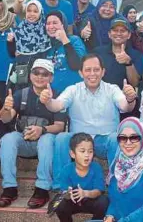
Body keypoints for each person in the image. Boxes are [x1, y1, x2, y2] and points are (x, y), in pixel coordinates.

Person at [39, 54, 137, 190]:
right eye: (88, 70)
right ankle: (60, 187)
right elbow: (57, 105)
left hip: (104, 141)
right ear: (80, 73)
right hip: (79, 141)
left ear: (103, 72)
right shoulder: (73, 90)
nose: (92, 74)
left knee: (116, 138)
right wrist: (48, 101)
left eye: (96, 70)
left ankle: (117, 184)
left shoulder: (112, 89)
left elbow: (125, 106)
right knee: (62, 138)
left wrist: (130, 98)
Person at [0, 59, 66, 209]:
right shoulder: (20, 94)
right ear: (30, 75)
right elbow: (5, 119)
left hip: (46, 144)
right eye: (36, 72)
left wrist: (42, 130)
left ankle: (42, 189)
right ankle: (9, 188)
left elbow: (60, 126)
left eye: (45, 74)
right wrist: (6, 108)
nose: (40, 76)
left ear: (51, 77)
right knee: (7, 139)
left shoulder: (59, 96)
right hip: (25, 139)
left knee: (47, 140)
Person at [54, 133, 109, 221]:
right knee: (59, 204)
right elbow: (64, 192)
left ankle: (95, 221)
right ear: (72, 154)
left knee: (104, 201)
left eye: (90, 151)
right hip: (73, 202)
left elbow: (99, 191)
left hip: (91, 200)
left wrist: (85, 193)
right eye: (82, 151)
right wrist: (69, 194)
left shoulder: (96, 167)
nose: (87, 155)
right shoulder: (66, 169)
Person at [7, 0, 51, 90]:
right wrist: (10, 42)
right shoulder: (20, 29)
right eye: (29, 10)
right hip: (22, 71)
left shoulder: (46, 29)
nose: (31, 14)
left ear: (40, 13)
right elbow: (12, 54)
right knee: (20, 96)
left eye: (35, 11)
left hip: (40, 73)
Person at [94, 18, 143, 88]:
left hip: (124, 97)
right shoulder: (98, 53)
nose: (119, 33)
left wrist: (128, 63)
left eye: (122, 31)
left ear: (129, 35)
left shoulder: (136, 55)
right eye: (115, 30)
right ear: (109, 34)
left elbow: (135, 83)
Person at [45, 10, 87, 94]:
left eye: (55, 23)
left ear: (63, 24)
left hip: (75, 93)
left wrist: (64, 40)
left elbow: (77, 65)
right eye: (48, 23)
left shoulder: (74, 40)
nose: (51, 26)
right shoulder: (46, 46)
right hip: (54, 95)